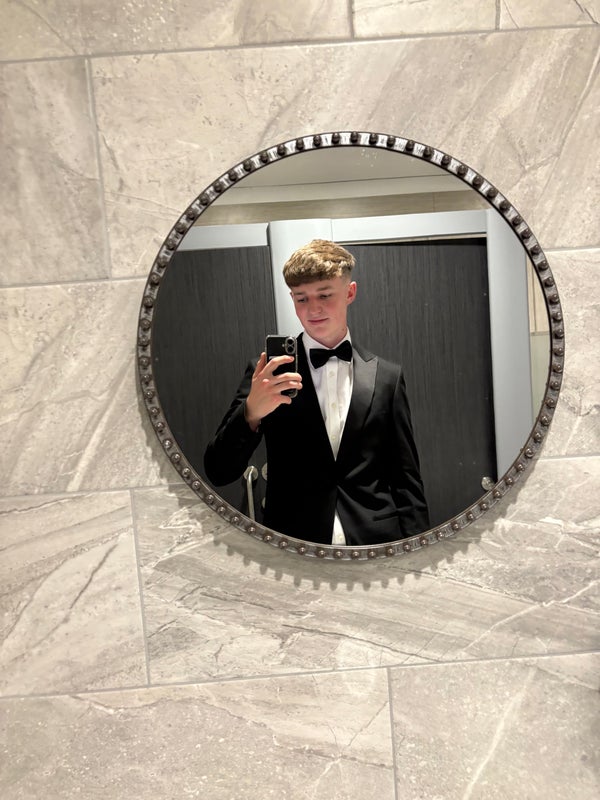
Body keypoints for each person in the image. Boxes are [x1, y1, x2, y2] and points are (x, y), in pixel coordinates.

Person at [204, 239, 429, 546]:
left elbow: (406, 479)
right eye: (302, 298)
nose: (313, 309)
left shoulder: (387, 378)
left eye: (325, 295)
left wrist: (418, 551)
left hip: (375, 543)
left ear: (350, 292)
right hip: (294, 545)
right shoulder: (267, 373)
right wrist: (251, 413)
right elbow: (218, 471)